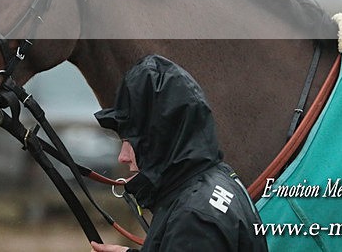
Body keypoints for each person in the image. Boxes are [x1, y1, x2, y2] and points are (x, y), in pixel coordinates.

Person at [91, 54, 268, 252]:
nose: (122, 156)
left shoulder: (194, 218)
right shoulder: (218, 180)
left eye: (130, 141)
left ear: (160, 138)